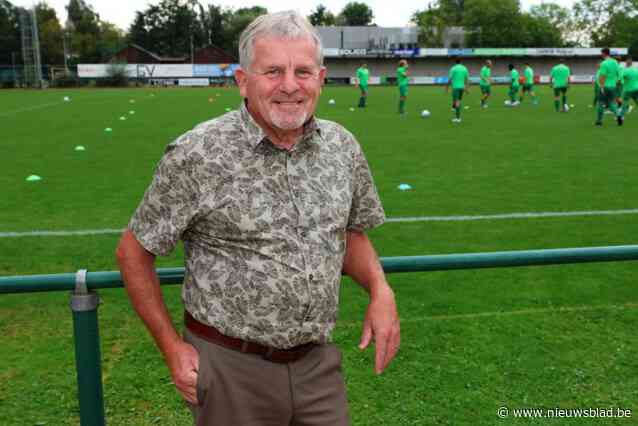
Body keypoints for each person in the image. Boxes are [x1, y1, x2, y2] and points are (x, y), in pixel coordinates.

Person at [115, 11, 400, 426]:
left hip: (318, 366)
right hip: (231, 370)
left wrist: (380, 289)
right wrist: (172, 348)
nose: (289, 85)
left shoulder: (342, 147)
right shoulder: (199, 153)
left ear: (321, 78)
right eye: (273, 71)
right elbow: (133, 251)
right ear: (242, 80)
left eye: (302, 71)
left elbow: (348, 233)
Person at [596, 47, 623, 126]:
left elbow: (602, 76)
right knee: (612, 102)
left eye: (601, 53)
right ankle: (618, 115)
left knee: (601, 103)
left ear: (604, 53)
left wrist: (601, 86)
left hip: (605, 86)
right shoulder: (615, 62)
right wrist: (617, 81)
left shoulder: (604, 63)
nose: (601, 55)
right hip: (613, 86)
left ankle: (599, 122)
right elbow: (619, 74)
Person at [446, 57, 470, 123]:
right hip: (462, 88)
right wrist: (467, 88)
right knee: (458, 101)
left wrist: (447, 87)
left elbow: (450, 79)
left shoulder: (453, 68)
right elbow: (467, 79)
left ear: (455, 62)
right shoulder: (465, 68)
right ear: (461, 62)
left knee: (456, 102)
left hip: (455, 87)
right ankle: (456, 112)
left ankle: (458, 118)